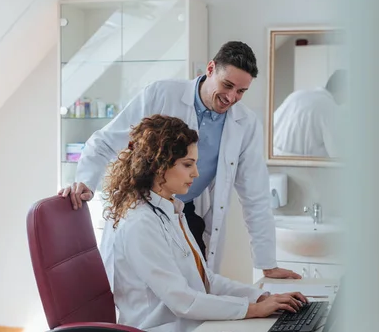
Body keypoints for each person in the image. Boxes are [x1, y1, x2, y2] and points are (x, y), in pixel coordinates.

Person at [60, 41, 300, 281]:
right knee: (145, 290)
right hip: (146, 211)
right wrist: (85, 182)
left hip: (186, 213)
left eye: (241, 91)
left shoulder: (245, 124)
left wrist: (268, 264)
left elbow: (255, 195)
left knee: (197, 284)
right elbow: (105, 141)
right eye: (227, 85)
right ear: (210, 69)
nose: (231, 97)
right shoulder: (162, 94)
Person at [104, 115, 307, 332]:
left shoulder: (170, 209)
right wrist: (252, 310)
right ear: (158, 165)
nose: (196, 174)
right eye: (187, 164)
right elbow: (182, 301)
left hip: (180, 331)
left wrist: (259, 297)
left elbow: (205, 280)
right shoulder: (140, 223)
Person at [273, 70, 347, 158]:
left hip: (273, 164)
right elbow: (338, 155)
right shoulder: (330, 107)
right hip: (302, 169)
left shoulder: (296, 96)